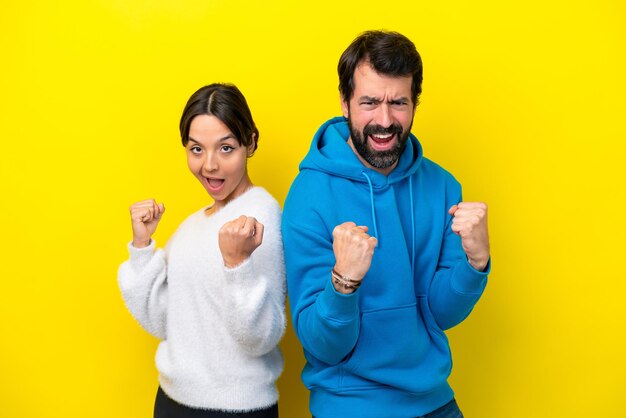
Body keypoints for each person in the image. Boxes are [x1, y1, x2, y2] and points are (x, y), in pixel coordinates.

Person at [282, 31, 491, 418]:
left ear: (414, 104)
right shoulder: (309, 196)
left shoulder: (443, 186)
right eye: (369, 103)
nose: (384, 120)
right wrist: (343, 282)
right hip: (350, 407)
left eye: (398, 103)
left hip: (435, 402)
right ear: (344, 103)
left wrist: (475, 263)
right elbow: (321, 344)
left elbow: (441, 312)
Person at [118, 83, 286, 418]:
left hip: (234, 409)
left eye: (225, 148)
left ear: (250, 142)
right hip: (172, 401)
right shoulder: (192, 225)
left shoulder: (259, 217)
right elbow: (166, 321)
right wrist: (142, 247)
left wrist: (238, 265)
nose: (209, 165)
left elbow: (260, 338)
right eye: (197, 150)